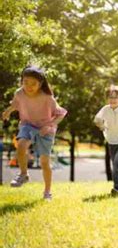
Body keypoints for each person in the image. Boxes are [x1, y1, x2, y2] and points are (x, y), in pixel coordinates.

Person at [2, 66, 67, 200]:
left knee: (44, 162)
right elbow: (16, 104)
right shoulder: (19, 93)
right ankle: (23, 174)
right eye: (25, 82)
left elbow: (61, 114)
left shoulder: (47, 97)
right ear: (21, 81)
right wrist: (8, 112)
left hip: (45, 128)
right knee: (21, 145)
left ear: (40, 84)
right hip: (28, 124)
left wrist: (50, 125)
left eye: (33, 84)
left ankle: (47, 192)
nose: (29, 86)